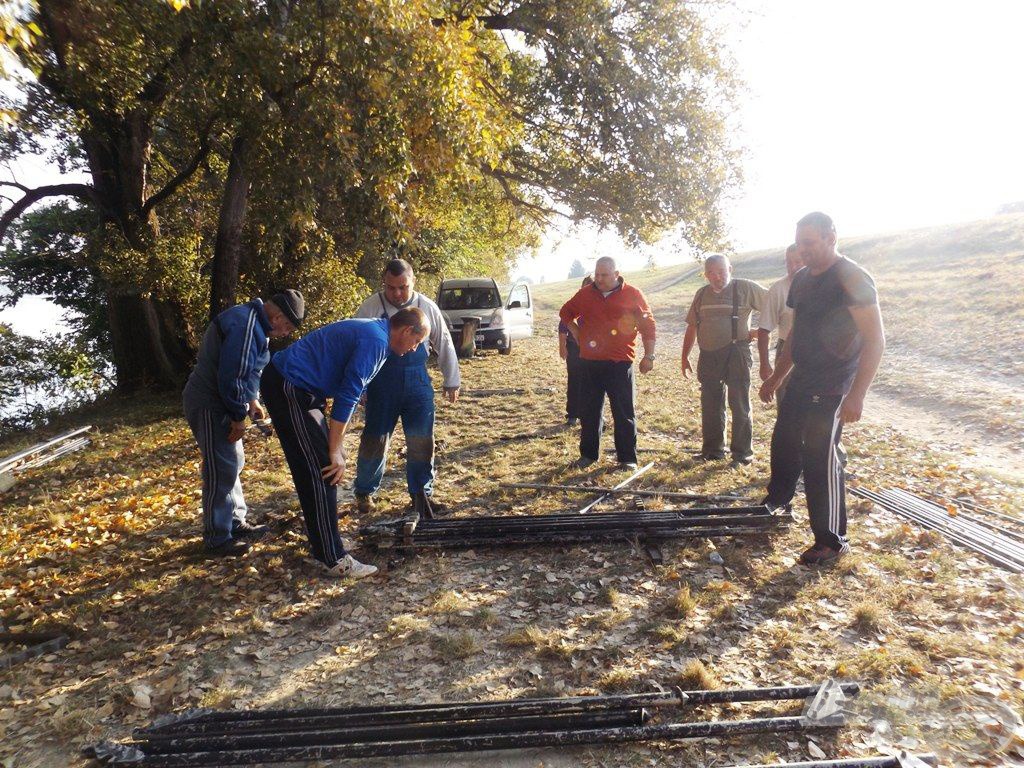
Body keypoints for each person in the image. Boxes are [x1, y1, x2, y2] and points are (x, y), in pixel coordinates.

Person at [260, 308, 430, 578]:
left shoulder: (377, 334)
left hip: (300, 389)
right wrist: (335, 449)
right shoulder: (376, 340)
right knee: (324, 468)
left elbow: (353, 390)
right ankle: (333, 558)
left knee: (318, 467)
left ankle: (324, 545)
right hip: (289, 386)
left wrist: (335, 445)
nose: (414, 349)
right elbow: (348, 393)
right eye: (417, 342)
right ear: (407, 330)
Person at [759, 212, 885, 565]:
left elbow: (875, 340)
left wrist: (857, 394)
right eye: (800, 244)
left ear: (831, 237)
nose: (803, 251)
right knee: (783, 444)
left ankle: (831, 540)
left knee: (821, 458)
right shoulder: (801, 279)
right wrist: (777, 376)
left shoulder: (852, 278)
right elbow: (795, 333)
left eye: (810, 243)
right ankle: (778, 503)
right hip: (801, 379)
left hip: (833, 385)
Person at [182, 290, 304, 557]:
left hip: (223, 402)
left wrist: (252, 400)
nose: (285, 334)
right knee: (220, 468)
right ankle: (217, 538)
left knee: (232, 463)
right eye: (287, 327)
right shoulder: (246, 326)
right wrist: (238, 417)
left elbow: (251, 371)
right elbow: (232, 377)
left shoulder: (256, 324)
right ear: (278, 315)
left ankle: (235, 523)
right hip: (209, 403)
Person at [352, 259, 460, 517]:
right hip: (381, 383)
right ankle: (365, 492)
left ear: (413, 282)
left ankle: (421, 495)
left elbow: (443, 341)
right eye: (391, 288)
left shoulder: (427, 306)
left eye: (403, 287)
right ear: (384, 285)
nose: (397, 293)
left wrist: (451, 378)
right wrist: (361, 387)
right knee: (374, 439)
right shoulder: (371, 306)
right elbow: (357, 348)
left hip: (417, 384)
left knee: (422, 440)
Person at [559, 257, 656, 469]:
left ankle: (627, 458)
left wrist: (649, 356)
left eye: (604, 275)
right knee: (589, 411)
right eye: (597, 274)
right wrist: (575, 332)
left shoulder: (633, 294)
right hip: (590, 362)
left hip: (620, 363)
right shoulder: (585, 294)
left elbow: (648, 326)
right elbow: (565, 312)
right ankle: (588, 455)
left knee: (623, 411)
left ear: (616, 274)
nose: (599, 279)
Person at [680, 254, 768, 465]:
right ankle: (712, 451)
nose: (716, 277)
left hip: (737, 353)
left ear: (730, 268)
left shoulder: (745, 288)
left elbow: (776, 307)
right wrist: (684, 357)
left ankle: (742, 455)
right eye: (710, 272)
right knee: (710, 403)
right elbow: (692, 326)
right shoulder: (701, 294)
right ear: (705, 274)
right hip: (708, 354)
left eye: (720, 271)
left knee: (739, 403)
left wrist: (758, 332)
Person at [757, 243, 805, 401]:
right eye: (789, 262)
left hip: (817, 353)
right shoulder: (778, 289)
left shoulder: (823, 285)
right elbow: (764, 329)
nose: (793, 267)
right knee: (786, 404)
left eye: (798, 262)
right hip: (786, 349)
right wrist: (764, 364)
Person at [558, 275, 593, 426]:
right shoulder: (577, 302)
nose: (588, 289)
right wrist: (562, 346)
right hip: (574, 348)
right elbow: (563, 324)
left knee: (593, 382)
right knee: (574, 380)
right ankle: (572, 414)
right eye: (585, 286)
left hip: (594, 349)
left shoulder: (600, 304)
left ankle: (592, 414)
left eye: (591, 286)